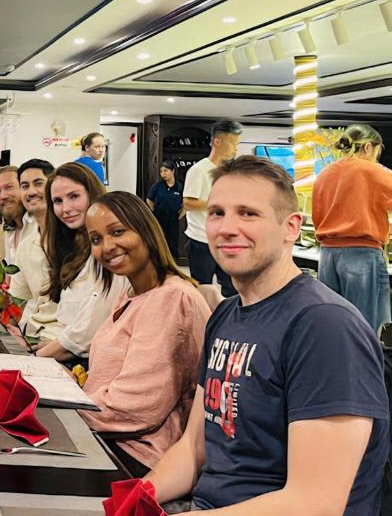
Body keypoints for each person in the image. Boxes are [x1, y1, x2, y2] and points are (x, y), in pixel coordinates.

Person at [146, 156, 389, 514]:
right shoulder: (227, 314)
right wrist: (136, 496)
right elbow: (193, 449)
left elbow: (315, 502)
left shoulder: (325, 326)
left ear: (291, 227)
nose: (227, 228)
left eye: (248, 214)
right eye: (217, 213)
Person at [78, 192, 211, 475]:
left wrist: (63, 404)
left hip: (142, 456)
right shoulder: (131, 294)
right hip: (104, 434)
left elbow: (136, 408)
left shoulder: (172, 298)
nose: (107, 246)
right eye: (96, 239)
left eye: (117, 232)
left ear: (145, 229)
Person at [30, 163, 128, 362]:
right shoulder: (71, 249)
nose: (66, 208)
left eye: (74, 197)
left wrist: (35, 357)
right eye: (58, 201)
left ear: (92, 193)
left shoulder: (110, 252)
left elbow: (86, 335)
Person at [311, 124, 392, 333]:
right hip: (362, 253)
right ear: (367, 147)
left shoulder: (325, 173)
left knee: (334, 322)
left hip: (327, 256)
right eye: (377, 152)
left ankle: (336, 365)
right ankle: (363, 366)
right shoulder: (372, 170)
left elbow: (317, 216)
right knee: (364, 326)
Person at [182, 119, 242, 297]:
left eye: (237, 144)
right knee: (203, 289)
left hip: (226, 238)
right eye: (233, 143)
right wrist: (219, 204)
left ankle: (230, 321)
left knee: (231, 287)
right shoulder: (199, 170)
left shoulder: (231, 171)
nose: (235, 148)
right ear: (217, 142)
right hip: (201, 240)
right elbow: (188, 203)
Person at [8, 159, 56, 331]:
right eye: (25, 186)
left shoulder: (73, 239)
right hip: (31, 332)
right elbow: (16, 301)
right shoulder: (26, 245)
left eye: (38, 183)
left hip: (62, 341)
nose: (31, 192)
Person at [146, 159, 183, 260]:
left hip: (173, 218)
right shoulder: (158, 186)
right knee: (159, 240)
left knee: (172, 242)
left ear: (173, 171)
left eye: (165, 171)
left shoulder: (180, 187)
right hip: (159, 217)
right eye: (161, 171)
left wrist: (180, 215)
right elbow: (149, 199)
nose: (163, 174)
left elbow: (185, 203)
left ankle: (173, 263)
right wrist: (154, 211)